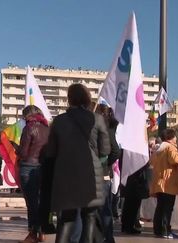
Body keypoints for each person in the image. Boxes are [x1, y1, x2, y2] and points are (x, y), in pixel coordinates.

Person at [39, 83, 110, 243]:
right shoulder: (97, 119)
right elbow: (105, 150)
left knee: (66, 220)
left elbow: (51, 152)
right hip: (92, 175)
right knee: (90, 217)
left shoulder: (59, 121)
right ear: (87, 99)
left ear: (69, 99)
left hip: (65, 175)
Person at [17, 105, 50, 243]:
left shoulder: (29, 127)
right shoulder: (47, 128)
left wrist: (15, 148)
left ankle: (33, 232)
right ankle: (42, 230)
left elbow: (24, 152)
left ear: (27, 116)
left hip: (28, 167)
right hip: (43, 167)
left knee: (31, 202)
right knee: (40, 201)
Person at [150, 128, 178, 239]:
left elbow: (151, 162)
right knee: (167, 208)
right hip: (169, 182)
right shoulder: (170, 147)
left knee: (160, 207)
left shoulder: (158, 148)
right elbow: (175, 160)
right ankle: (165, 230)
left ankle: (158, 230)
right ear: (172, 137)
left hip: (159, 181)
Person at [95, 104, 120, 243]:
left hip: (102, 172)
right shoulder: (107, 128)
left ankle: (108, 238)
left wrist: (105, 163)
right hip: (103, 173)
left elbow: (116, 151)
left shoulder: (105, 130)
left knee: (104, 209)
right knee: (103, 208)